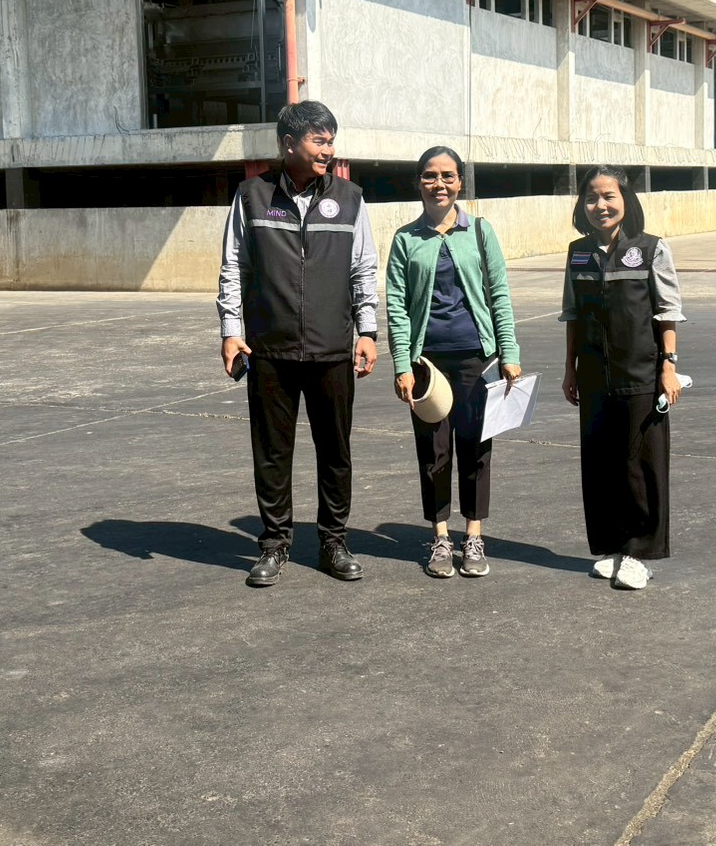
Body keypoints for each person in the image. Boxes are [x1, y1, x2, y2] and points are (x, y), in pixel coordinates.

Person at [216, 101, 379, 587]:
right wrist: (230, 330)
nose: (328, 149)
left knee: (335, 451)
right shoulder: (251, 196)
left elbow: (363, 267)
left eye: (331, 140)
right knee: (271, 453)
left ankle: (333, 542)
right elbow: (233, 266)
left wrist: (367, 332)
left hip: (332, 349)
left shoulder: (350, 198)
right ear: (289, 144)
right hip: (270, 349)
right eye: (319, 140)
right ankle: (274, 544)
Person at [386, 146, 521, 578]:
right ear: (419, 183)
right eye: (430, 175)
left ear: (460, 181)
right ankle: (441, 537)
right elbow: (396, 307)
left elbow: (499, 294)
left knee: (476, 448)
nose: (439, 183)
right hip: (427, 365)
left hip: (476, 359)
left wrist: (509, 353)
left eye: (448, 175)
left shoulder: (480, 231)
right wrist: (402, 365)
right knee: (434, 451)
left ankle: (473, 536)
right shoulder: (406, 239)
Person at [560, 166, 686, 591]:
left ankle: (640, 554)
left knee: (640, 464)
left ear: (626, 200)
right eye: (591, 197)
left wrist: (668, 365)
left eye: (609, 196)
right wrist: (570, 368)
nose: (600, 205)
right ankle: (613, 547)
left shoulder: (650, 249)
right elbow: (572, 316)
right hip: (594, 376)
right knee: (601, 464)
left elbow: (667, 311)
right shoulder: (578, 252)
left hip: (641, 374)